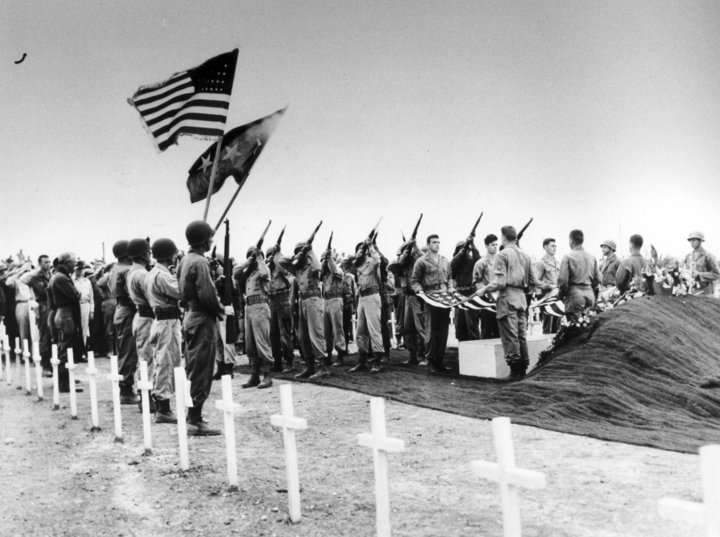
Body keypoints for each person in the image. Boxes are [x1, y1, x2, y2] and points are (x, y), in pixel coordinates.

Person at [177, 220, 225, 436]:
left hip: (189, 315)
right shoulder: (200, 262)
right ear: (203, 241)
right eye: (209, 239)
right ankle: (194, 418)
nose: (211, 242)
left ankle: (192, 414)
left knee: (193, 365)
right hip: (202, 318)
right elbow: (207, 294)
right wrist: (221, 310)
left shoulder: (185, 260)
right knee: (202, 368)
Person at [476, 226, 539, 380]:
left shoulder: (502, 255)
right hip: (521, 297)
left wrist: (483, 290)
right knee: (521, 334)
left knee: (510, 334)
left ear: (503, 238)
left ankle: (515, 370)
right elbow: (533, 281)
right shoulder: (525, 255)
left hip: (507, 296)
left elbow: (500, 281)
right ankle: (523, 368)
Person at [146, 238, 182, 423]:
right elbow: (180, 292)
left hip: (162, 319)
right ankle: (163, 408)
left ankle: (161, 404)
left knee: (163, 362)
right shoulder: (162, 275)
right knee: (167, 363)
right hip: (167, 320)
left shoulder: (154, 273)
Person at [411, 234, 452, 374]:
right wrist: (420, 291)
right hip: (430, 297)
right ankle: (431, 360)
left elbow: (450, 277)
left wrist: (451, 287)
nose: (437, 245)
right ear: (428, 245)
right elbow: (414, 280)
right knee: (431, 330)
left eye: (438, 242)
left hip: (445, 297)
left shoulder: (445, 260)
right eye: (434, 242)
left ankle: (440, 359)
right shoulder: (421, 261)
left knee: (443, 330)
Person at [235, 246, 273, 389]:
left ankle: (267, 375)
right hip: (249, 308)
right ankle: (254, 375)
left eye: (254, 255)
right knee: (250, 344)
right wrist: (249, 260)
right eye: (250, 255)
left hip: (260, 306)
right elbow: (235, 273)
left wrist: (259, 259)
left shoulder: (263, 269)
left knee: (262, 341)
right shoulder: (247, 273)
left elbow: (265, 273)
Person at [126, 238, 156, 410]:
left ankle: (145, 394)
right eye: (148, 252)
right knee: (147, 358)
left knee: (144, 357)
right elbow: (153, 296)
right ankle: (145, 396)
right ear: (144, 254)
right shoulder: (142, 274)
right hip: (147, 316)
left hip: (141, 315)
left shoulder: (134, 271)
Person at [291, 241, 327, 380]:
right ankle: (309, 366)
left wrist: (310, 251)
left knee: (315, 333)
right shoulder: (296, 268)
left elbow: (319, 268)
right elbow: (282, 262)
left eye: (300, 251)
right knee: (303, 337)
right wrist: (298, 255)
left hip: (313, 299)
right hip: (302, 301)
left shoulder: (312, 265)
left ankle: (322, 367)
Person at [48, 252, 83, 393]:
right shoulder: (61, 278)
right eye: (72, 263)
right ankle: (64, 384)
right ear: (65, 263)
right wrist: (78, 293)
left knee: (64, 347)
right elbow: (75, 295)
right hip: (66, 314)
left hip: (63, 313)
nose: (74, 266)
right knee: (66, 349)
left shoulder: (57, 276)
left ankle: (65, 381)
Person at [108, 240, 138, 404]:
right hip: (129, 311)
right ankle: (126, 389)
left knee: (124, 349)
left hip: (120, 310)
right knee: (129, 350)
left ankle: (125, 386)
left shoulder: (115, 269)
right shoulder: (127, 270)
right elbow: (132, 294)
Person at [350, 237, 385, 373]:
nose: (359, 253)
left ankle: (377, 362)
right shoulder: (357, 265)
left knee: (374, 330)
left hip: (372, 296)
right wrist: (356, 255)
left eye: (360, 250)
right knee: (360, 331)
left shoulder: (372, 261)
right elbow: (345, 264)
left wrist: (370, 246)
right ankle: (362, 361)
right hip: (362, 298)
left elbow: (378, 260)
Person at [393, 238, 426, 365]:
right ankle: (413, 355)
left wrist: (414, 245)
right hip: (408, 297)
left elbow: (422, 256)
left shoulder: (418, 259)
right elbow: (395, 265)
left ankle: (425, 356)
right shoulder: (402, 265)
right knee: (408, 327)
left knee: (421, 328)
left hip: (418, 297)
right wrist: (404, 253)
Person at [557, 229, 601, 323]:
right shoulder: (592, 257)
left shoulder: (568, 256)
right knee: (588, 328)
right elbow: (598, 279)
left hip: (575, 296)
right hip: (590, 295)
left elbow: (563, 281)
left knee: (574, 329)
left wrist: (560, 296)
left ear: (571, 241)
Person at [266, 244, 295, 373]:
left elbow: (283, 265)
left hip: (282, 298)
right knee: (273, 334)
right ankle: (277, 362)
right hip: (272, 300)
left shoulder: (280, 263)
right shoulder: (268, 269)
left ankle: (289, 362)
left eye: (270, 256)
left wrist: (276, 254)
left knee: (285, 334)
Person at [22, 255, 52, 373]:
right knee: (45, 336)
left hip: (52, 306)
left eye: (49, 262)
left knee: (53, 337)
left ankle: (51, 364)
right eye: (45, 262)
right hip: (43, 307)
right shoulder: (35, 277)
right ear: (39, 263)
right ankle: (45, 366)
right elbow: (42, 292)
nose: (48, 264)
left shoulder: (51, 275)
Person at [450, 237, 481, 341]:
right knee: (459, 327)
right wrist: (461, 253)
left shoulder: (472, 262)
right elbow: (451, 269)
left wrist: (472, 245)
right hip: (459, 296)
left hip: (471, 295)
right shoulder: (456, 262)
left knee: (472, 326)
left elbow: (478, 260)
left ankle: (476, 350)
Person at [321, 248, 347, 367]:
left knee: (337, 329)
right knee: (326, 331)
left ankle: (340, 356)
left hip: (336, 299)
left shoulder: (339, 270)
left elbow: (334, 269)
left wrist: (329, 258)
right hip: (326, 300)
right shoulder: (324, 274)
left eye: (326, 260)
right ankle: (328, 355)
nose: (324, 263)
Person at [472, 234, 500, 339]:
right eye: (492, 245)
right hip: (487, 300)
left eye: (496, 245)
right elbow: (476, 282)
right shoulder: (481, 263)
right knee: (487, 328)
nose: (495, 247)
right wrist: (486, 291)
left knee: (499, 329)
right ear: (486, 246)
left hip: (500, 299)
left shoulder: (500, 261)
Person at [534, 238, 560, 334]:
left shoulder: (557, 262)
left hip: (557, 295)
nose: (555, 248)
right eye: (552, 246)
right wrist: (548, 286)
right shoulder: (541, 263)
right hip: (547, 295)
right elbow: (536, 281)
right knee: (547, 324)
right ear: (545, 247)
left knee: (557, 324)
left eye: (555, 246)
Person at [684, 231, 720, 297]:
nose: (691, 242)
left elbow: (717, 274)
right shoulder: (688, 256)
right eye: (690, 240)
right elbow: (685, 271)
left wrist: (699, 274)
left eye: (694, 240)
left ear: (700, 241)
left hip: (705, 293)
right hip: (691, 292)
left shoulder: (708, 256)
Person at [73, 261, 94, 352]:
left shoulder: (87, 281)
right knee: (76, 329)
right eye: (78, 269)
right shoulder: (72, 281)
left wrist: (92, 311)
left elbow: (91, 297)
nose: (80, 271)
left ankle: (83, 348)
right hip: (76, 306)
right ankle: (76, 350)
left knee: (85, 328)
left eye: (81, 269)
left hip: (86, 305)